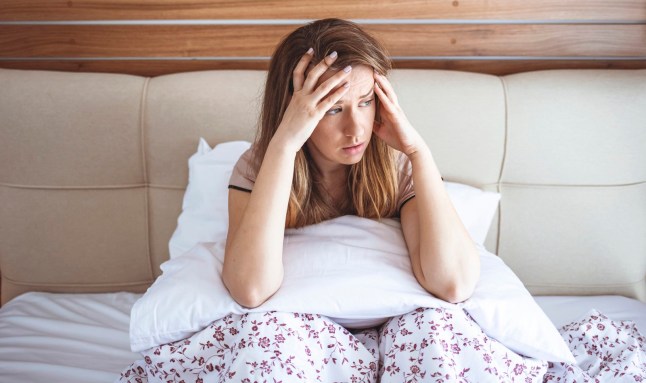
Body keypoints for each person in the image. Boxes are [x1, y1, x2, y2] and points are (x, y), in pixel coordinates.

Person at [118, 18, 550, 383]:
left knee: (436, 333)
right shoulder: (258, 168)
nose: (357, 129)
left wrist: (419, 152)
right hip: (303, 330)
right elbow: (250, 289)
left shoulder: (398, 168)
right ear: (296, 109)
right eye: (332, 109)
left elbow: (452, 283)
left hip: (400, 326)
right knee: (268, 341)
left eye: (365, 102)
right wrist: (284, 145)